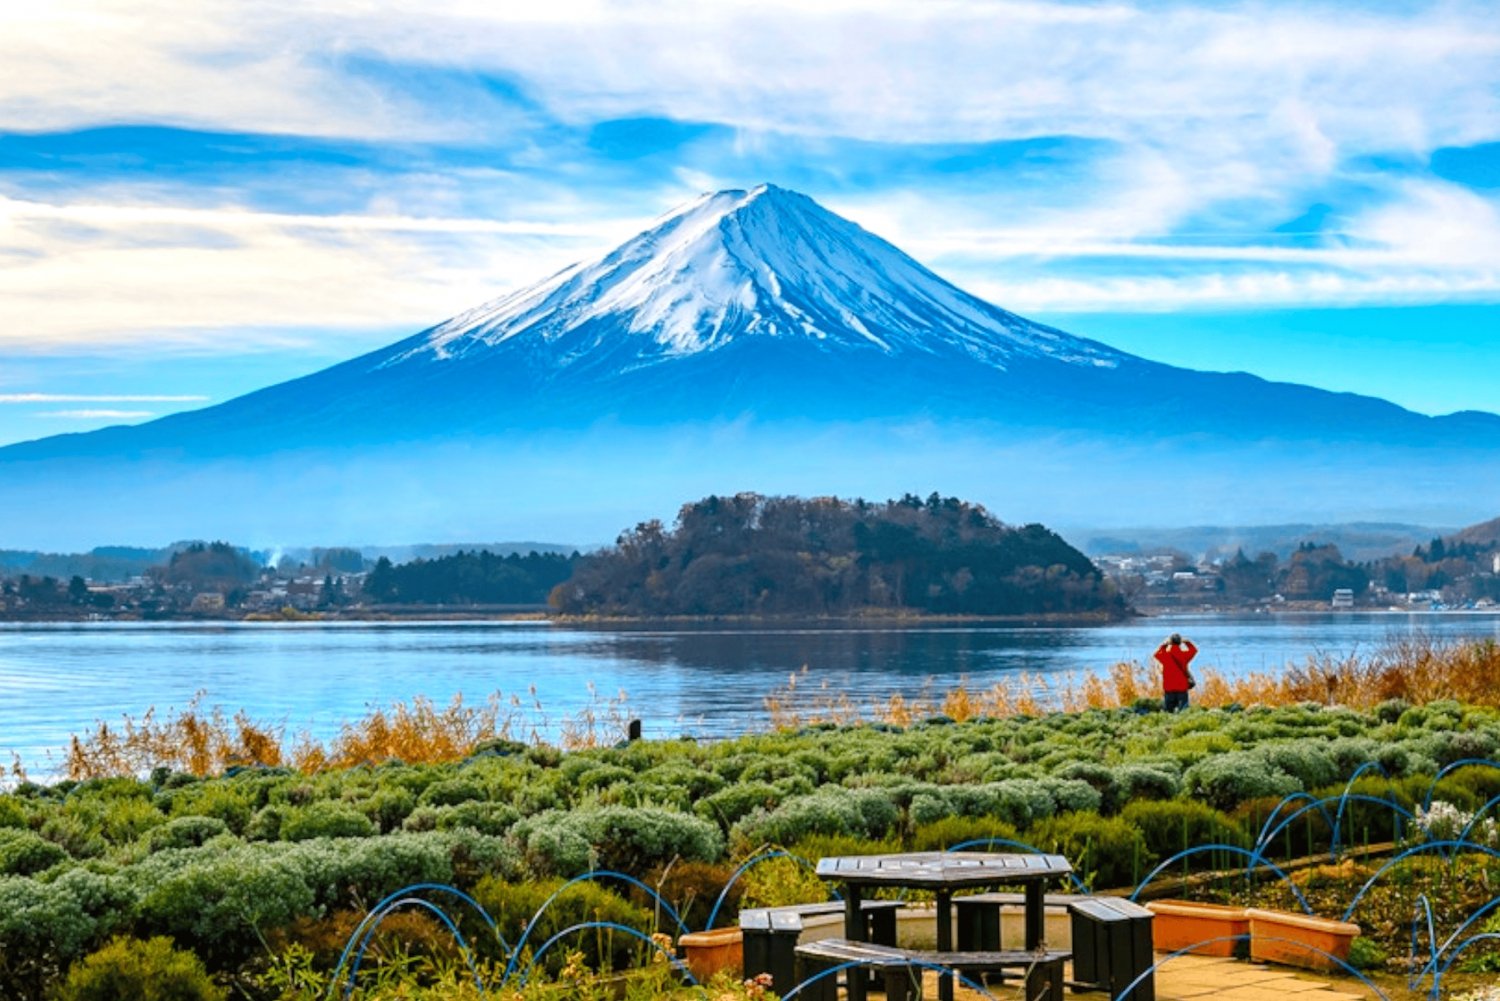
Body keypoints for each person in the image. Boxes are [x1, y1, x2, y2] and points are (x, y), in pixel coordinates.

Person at [1153, 632, 1197, 712]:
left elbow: (1156, 654)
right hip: (1182, 687)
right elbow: (1194, 650)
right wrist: (1187, 642)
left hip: (1169, 687)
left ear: (1171, 642)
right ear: (1180, 643)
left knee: (1169, 711)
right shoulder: (1184, 655)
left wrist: (1164, 645)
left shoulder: (1166, 656)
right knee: (1183, 711)